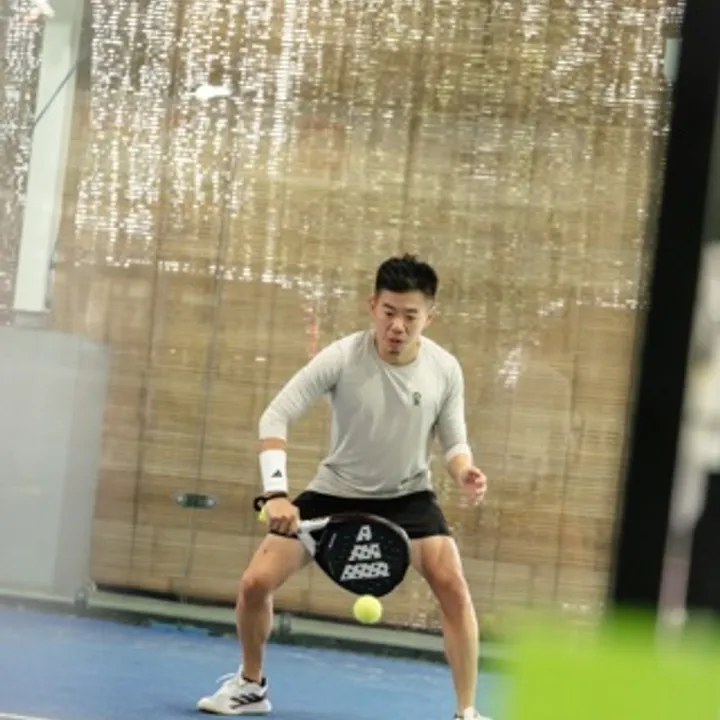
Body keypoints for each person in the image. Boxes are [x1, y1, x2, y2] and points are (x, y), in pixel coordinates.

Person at [197, 254, 490, 719]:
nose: (397, 326)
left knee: (453, 587)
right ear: (373, 306)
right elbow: (275, 415)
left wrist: (464, 470)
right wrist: (277, 493)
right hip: (334, 492)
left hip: (408, 496)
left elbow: (454, 441)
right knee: (255, 584)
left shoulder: (445, 369)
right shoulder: (342, 357)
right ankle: (251, 686)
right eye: (389, 311)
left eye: (410, 316)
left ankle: (466, 712)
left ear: (429, 318)